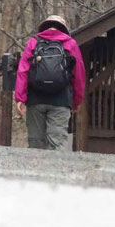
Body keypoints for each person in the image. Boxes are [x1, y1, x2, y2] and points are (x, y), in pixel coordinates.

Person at [14, 15, 86, 150]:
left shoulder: (33, 42)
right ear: (63, 29)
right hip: (61, 100)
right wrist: (76, 101)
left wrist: (20, 98)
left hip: (35, 100)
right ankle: (54, 170)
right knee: (57, 143)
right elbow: (79, 75)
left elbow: (23, 71)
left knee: (36, 142)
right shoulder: (70, 44)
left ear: (44, 27)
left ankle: (35, 170)